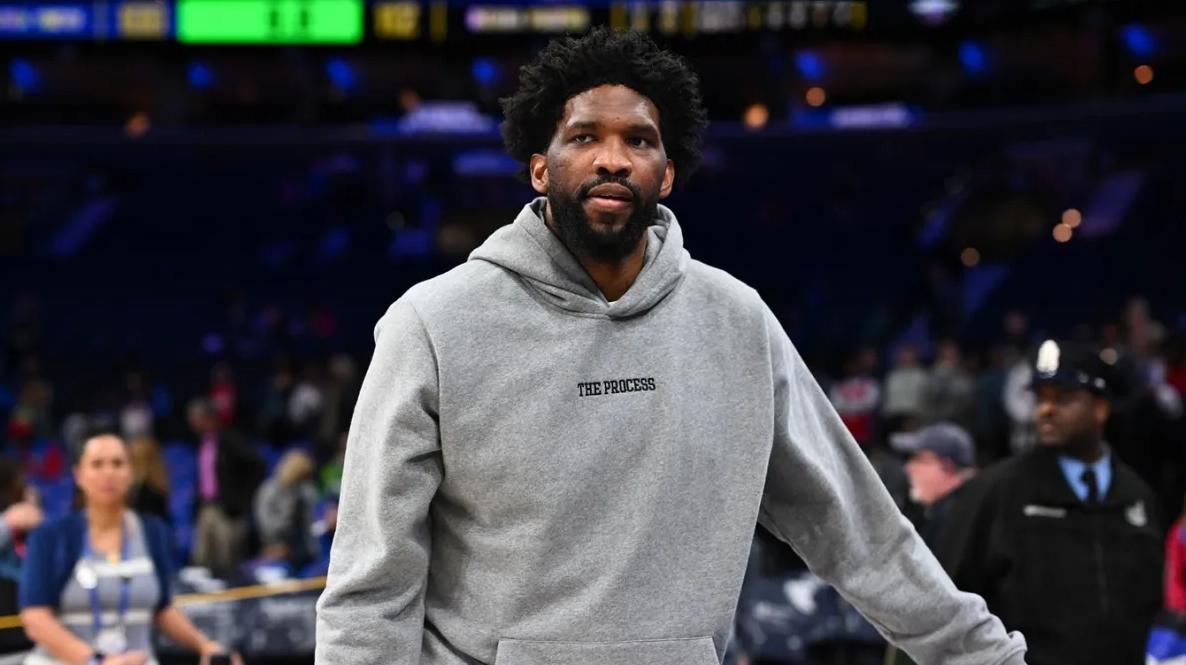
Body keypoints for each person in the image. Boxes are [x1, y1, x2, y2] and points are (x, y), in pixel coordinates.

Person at [316, 27, 1025, 665]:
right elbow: (371, 585)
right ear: (539, 167)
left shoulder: (738, 324)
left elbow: (856, 531)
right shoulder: (433, 324)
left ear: (668, 172)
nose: (613, 160)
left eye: (639, 140)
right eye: (584, 137)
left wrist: (984, 656)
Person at [933, 339, 1163, 665]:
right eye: (1041, 398)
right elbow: (947, 599)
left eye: (1063, 398)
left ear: (1100, 408)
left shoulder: (1136, 497)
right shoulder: (996, 490)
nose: (1046, 410)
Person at [18, 427, 239, 665]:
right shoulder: (50, 536)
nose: (108, 472)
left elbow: (162, 608)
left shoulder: (154, 532)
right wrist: (96, 662)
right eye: (97, 464)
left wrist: (204, 645)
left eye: (117, 463)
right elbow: (35, 618)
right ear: (79, 475)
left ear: (131, 472)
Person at [885, 423, 979, 665]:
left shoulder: (959, 519)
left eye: (918, 459)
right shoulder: (940, 514)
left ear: (946, 467)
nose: (908, 468)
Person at [187, 398, 264, 579]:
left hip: (227, 510)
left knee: (227, 559)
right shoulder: (202, 442)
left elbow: (257, 465)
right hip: (206, 507)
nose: (192, 423)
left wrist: (241, 499)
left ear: (209, 418)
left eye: (196, 418)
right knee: (202, 558)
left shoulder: (230, 439)